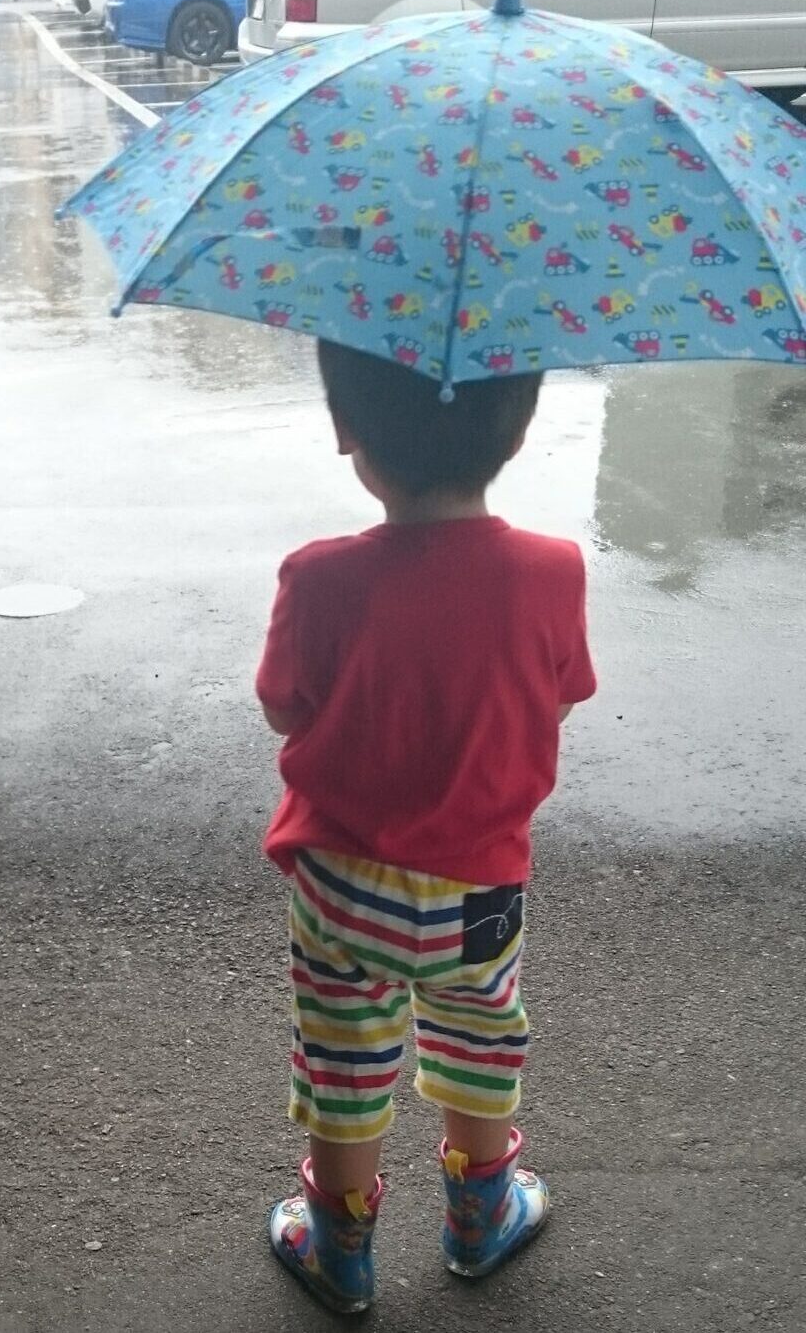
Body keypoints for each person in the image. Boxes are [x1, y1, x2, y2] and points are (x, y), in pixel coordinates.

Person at [258, 341, 596, 1312]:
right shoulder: (552, 571)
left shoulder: (317, 576)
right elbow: (557, 698)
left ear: (346, 428)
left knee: (344, 1057)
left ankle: (339, 1250)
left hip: (343, 885)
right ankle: (481, 1219)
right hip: (479, 885)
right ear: (519, 429)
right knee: (481, 1040)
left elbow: (284, 708)